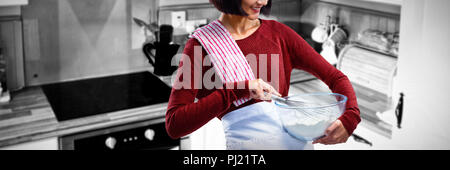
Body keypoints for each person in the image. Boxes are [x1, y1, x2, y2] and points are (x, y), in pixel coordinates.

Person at [165, 0, 360, 150]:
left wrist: (349, 119)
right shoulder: (201, 46)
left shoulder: (279, 34)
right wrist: (237, 91)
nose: (264, 2)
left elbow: (336, 78)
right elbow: (175, 125)